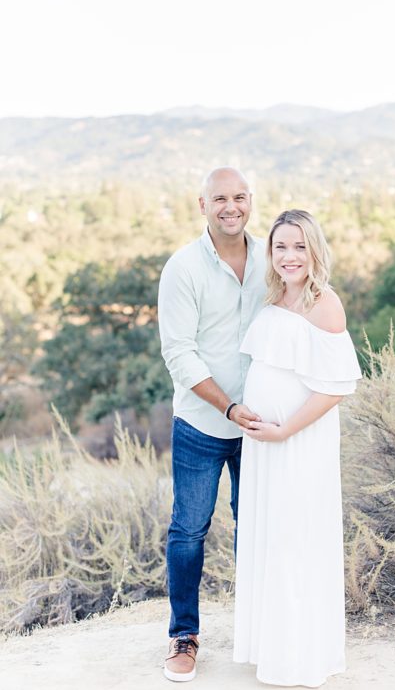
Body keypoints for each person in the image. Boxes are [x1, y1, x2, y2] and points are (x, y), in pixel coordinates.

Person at [232, 209, 361, 687]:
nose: (289, 256)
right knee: (270, 537)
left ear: (314, 251)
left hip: (298, 443)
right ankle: (272, 649)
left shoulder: (324, 303)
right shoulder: (273, 298)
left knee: (294, 539)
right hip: (264, 443)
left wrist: (285, 431)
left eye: (299, 246)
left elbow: (337, 387)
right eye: (280, 246)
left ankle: (299, 658)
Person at [157, 167, 267, 682]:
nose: (231, 206)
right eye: (219, 198)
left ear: (251, 201)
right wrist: (227, 407)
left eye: (239, 197)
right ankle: (184, 635)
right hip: (203, 423)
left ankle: (263, 631)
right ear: (202, 204)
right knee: (189, 531)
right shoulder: (183, 268)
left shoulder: (273, 258)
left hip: (263, 426)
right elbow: (178, 353)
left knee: (261, 527)